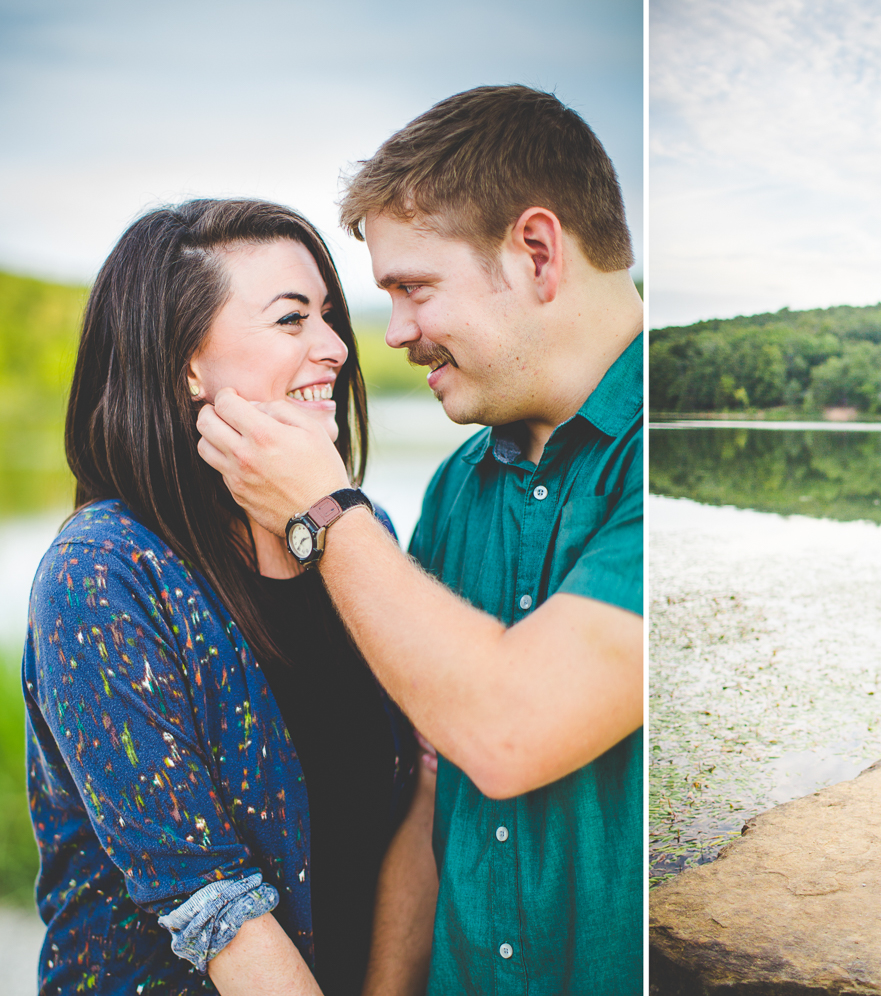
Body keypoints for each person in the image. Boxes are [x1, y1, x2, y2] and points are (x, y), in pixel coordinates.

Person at [196, 85, 643, 994]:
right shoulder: (457, 486)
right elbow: (435, 790)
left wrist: (324, 510)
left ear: (536, 254)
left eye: (413, 289)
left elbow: (508, 729)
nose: (389, 334)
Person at [24, 199, 437, 996]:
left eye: (329, 316)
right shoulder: (103, 574)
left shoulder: (358, 530)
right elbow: (217, 910)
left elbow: (417, 790)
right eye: (291, 321)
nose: (336, 348)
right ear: (187, 362)